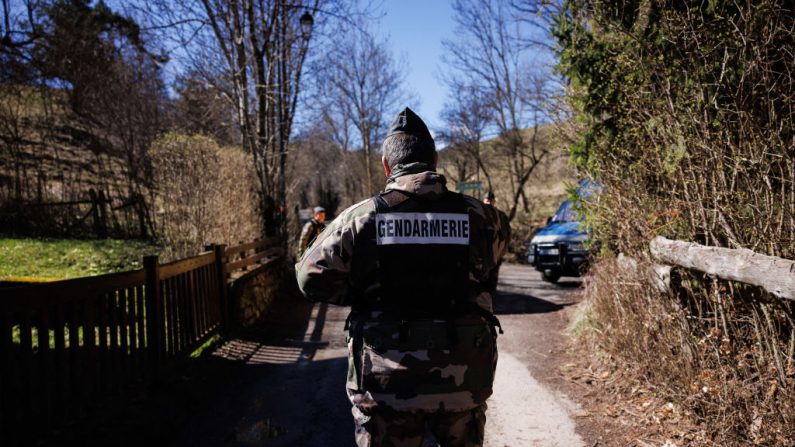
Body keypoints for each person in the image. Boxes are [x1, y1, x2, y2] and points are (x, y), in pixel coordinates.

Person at [295, 107, 508, 446]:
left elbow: (309, 278)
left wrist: (362, 291)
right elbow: (488, 269)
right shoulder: (485, 217)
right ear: (435, 160)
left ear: (386, 165)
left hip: (386, 380)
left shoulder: (360, 219)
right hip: (463, 377)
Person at [482, 192, 511, 292]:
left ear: (494, 201)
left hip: (496, 254)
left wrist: (502, 252)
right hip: (481, 254)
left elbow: (508, 235)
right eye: (487, 200)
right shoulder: (477, 214)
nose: (489, 202)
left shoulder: (501, 216)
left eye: (490, 200)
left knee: (491, 282)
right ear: (483, 201)